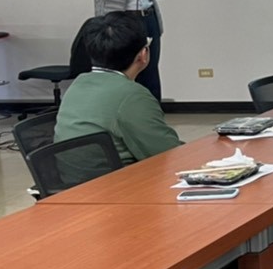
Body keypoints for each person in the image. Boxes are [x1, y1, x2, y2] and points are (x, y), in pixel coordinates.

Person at [54, 12, 182, 164]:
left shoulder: (79, 83)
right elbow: (168, 153)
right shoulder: (133, 96)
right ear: (143, 54)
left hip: (75, 175)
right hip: (119, 176)